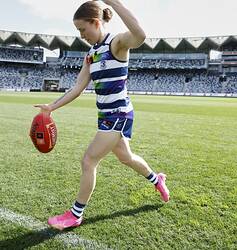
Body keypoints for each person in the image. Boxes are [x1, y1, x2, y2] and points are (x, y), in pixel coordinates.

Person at [35, 0, 170, 230]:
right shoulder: (90, 55)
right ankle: (157, 180)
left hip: (119, 114)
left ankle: (76, 214)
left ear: (96, 22)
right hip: (106, 116)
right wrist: (51, 107)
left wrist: (114, 2)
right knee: (126, 158)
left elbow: (140, 34)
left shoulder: (116, 43)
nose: (81, 35)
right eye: (78, 31)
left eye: (83, 29)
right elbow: (78, 88)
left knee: (89, 160)